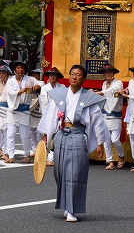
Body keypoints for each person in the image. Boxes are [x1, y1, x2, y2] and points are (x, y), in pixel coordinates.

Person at [37, 65, 108, 222]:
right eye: (72, 74)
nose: (74, 77)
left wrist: (100, 143)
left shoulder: (88, 97)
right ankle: (65, 204)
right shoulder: (59, 94)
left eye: (78, 75)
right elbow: (50, 117)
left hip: (77, 135)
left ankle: (72, 210)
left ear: (83, 79)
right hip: (61, 135)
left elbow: (97, 121)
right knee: (60, 172)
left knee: (74, 173)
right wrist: (45, 139)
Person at [5, 60, 41, 164]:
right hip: (13, 110)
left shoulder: (30, 79)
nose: (20, 70)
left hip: (25, 110)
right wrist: (22, 91)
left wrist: (37, 86)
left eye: (22, 68)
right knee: (10, 134)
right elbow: (11, 92)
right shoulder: (10, 81)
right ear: (14, 70)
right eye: (18, 68)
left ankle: (26, 154)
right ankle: (10, 155)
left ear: (24, 70)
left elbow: (40, 82)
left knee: (25, 135)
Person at [95, 65, 125, 170]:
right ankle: (110, 161)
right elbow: (105, 96)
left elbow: (111, 92)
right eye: (106, 72)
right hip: (105, 113)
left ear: (113, 73)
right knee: (106, 139)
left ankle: (121, 155)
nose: (108, 74)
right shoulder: (104, 84)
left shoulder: (118, 83)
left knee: (115, 139)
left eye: (110, 72)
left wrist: (96, 93)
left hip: (115, 114)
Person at [40, 67, 64, 166]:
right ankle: (43, 155)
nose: (52, 77)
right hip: (48, 115)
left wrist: (61, 113)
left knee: (56, 136)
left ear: (57, 77)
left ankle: (51, 157)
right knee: (46, 136)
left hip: (59, 115)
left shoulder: (62, 87)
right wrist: (48, 115)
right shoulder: (45, 88)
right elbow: (44, 102)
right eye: (50, 75)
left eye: (54, 75)